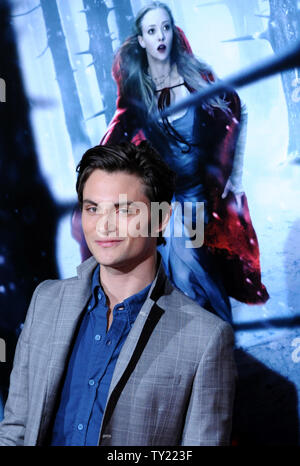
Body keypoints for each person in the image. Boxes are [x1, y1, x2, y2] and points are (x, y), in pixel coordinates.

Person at [0, 142, 236, 446]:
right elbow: (16, 428)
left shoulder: (205, 338)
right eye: (92, 208)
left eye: (123, 210)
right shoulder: (46, 301)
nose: (103, 225)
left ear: (161, 217)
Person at [96, 1, 269, 323]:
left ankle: (214, 337)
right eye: (151, 30)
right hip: (163, 202)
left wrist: (236, 173)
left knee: (200, 269)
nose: (160, 35)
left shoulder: (196, 76)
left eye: (165, 27)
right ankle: (201, 342)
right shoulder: (139, 92)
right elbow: (114, 144)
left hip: (199, 195)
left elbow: (236, 110)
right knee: (180, 272)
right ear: (143, 40)